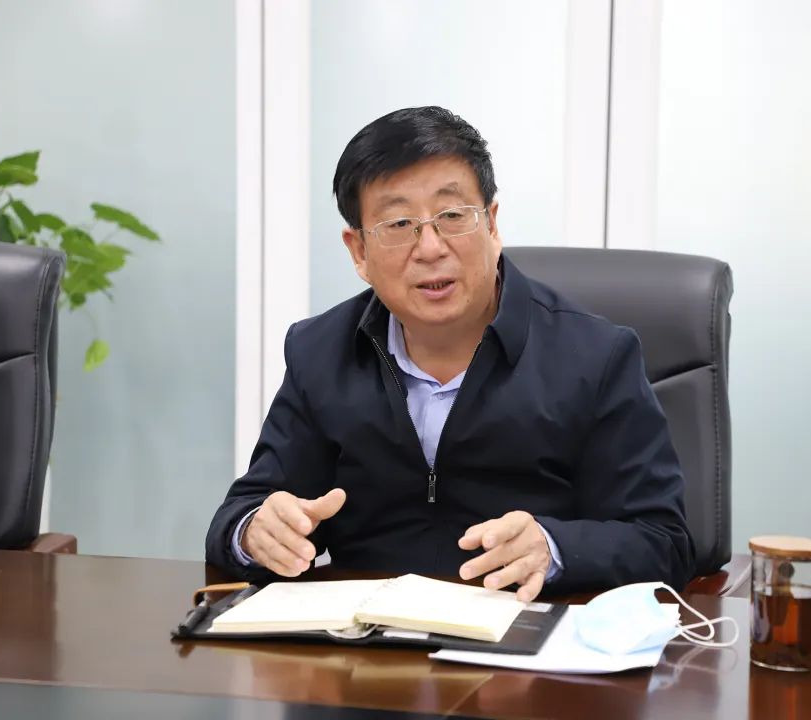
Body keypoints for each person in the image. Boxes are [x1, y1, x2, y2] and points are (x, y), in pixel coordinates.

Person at [206, 106, 694, 600]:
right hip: (367, 636)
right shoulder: (320, 352)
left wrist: (553, 548)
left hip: (522, 634)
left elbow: (663, 542)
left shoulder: (595, 356)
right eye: (399, 224)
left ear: (492, 225)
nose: (430, 248)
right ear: (359, 252)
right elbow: (239, 515)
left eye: (452, 216)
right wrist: (255, 531)